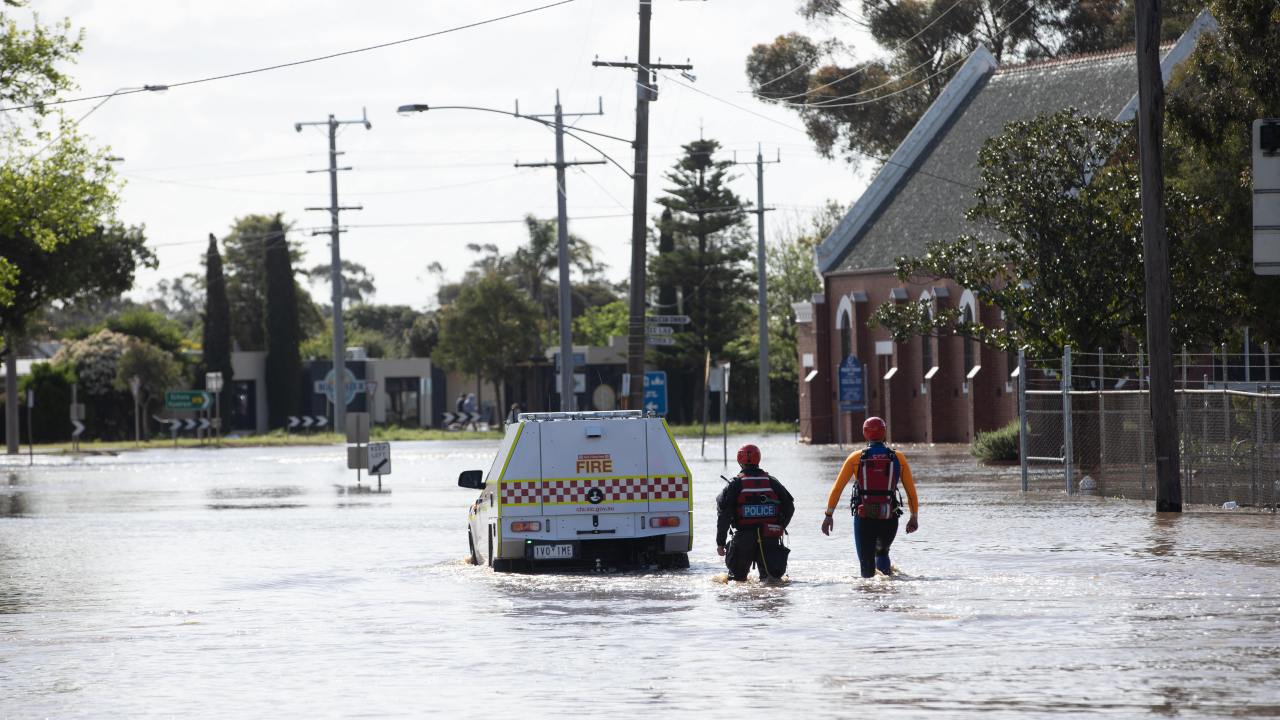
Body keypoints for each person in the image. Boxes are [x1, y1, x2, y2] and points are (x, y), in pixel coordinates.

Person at [821, 416, 919, 578]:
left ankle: (869, 599)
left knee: (867, 567)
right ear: (884, 433)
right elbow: (911, 493)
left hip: (864, 517)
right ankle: (888, 593)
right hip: (889, 517)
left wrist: (828, 515)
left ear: (865, 434)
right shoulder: (898, 457)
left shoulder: (855, 458)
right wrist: (914, 517)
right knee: (882, 554)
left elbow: (837, 489)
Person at [716, 444, 795, 581]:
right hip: (770, 538)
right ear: (758, 459)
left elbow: (724, 513)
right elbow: (790, 506)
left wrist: (720, 543)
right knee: (771, 580)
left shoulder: (735, 484)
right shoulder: (772, 482)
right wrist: (779, 527)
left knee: (737, 580)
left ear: (739, 460)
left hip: (743, 539)